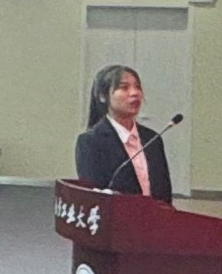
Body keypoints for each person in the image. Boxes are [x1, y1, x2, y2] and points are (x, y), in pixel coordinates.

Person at [75, 64, 175, 202]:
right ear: (103, 96)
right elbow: (94, 196)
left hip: (154, 215)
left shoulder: (152, 139)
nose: (135, 93)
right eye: (124, 87)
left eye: (137, 87)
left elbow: (164, 194)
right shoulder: (90, 142)